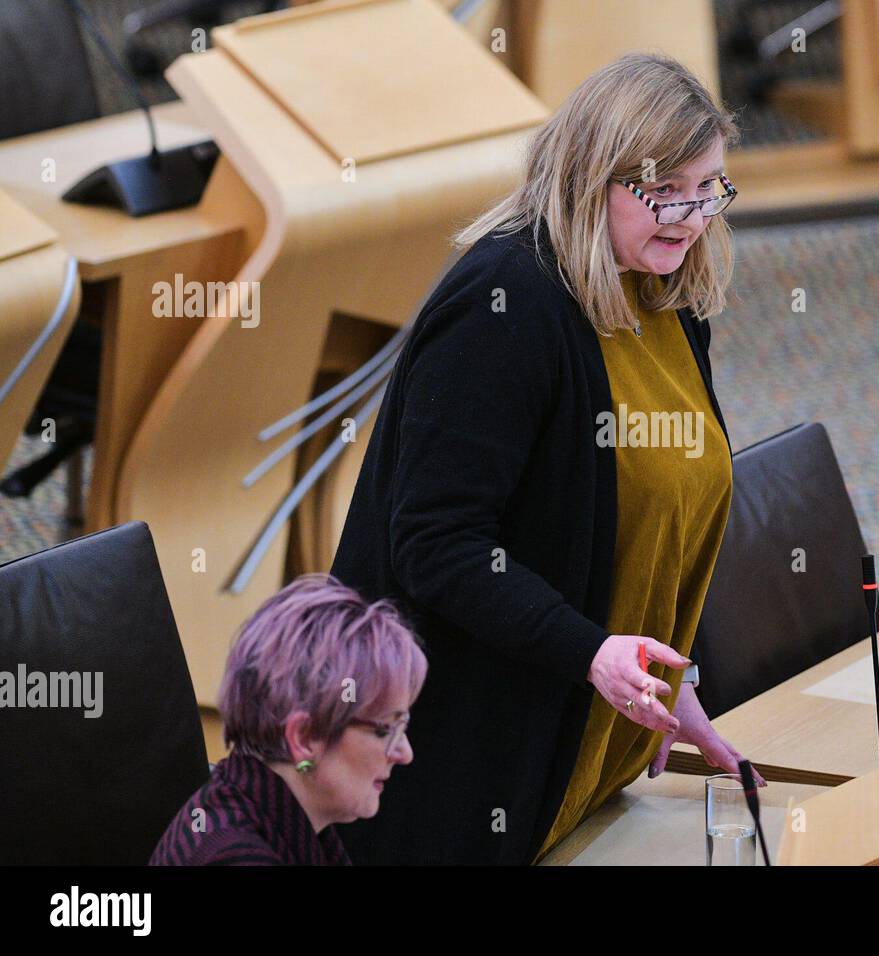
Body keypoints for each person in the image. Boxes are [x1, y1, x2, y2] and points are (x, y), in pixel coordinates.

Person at [330, 52, 761, 866]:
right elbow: (436, 544)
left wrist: (675, 689)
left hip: (584, 748)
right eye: (661, 191)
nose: (690, 215)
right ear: (590, 176)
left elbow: (655, 511)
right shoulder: (503, 306)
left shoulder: (664, 290)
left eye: (708, 189)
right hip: (461, 761)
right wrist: (588, 652)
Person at [150, 575, 427, 865]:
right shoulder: (237, 854)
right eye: (385, 730)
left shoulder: (284, 815)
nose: (404, 753)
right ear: (304, 738)